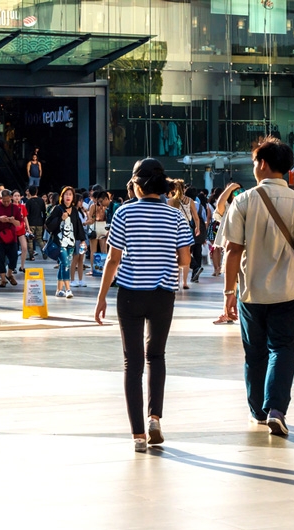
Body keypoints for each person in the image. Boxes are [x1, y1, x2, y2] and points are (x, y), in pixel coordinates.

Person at [94, 158, 193, 452]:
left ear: (137, 185)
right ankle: (155, 419)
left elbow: (113, 259)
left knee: (132, 363)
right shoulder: (175, 217)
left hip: (130, 295)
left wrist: (101, 297)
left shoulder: (124, 213)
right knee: (157, 357)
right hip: (163, 295)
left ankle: (138, 435)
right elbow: (185, 260)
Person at [220, 136, 294, 437]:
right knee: (283, 348)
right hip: (287, 292)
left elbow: (232, 250)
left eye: (254, 162)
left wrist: (228, 293)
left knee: (255, 352)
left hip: (252, 292)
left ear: (262, 163)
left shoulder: (244, 201)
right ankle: (276, 408)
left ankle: (258, 412)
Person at [45, 186, 87, 298]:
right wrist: (60, 219)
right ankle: (68, 289)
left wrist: (83, 240)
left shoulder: (74, 211)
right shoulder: (57, 209)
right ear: (62, 197)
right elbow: (48, 224)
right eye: (66, 194)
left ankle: (59, 290)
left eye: (70, 194)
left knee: (63, 265)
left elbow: (78, 226)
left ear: (73, 197)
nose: (68, 196)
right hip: (59, 242)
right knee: (65, 264)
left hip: (71, 242)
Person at [167, 179, 200, 289]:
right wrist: (197, 228)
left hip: (173, 229)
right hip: (186, 229)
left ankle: (175, 281)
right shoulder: (190, 200)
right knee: (186, 255)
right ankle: (185, 282)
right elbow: (195, 217)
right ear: (184, 188)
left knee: (175, 255)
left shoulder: (170, 201)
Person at [0, 189, 22, 287]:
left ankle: (9, 274)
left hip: (11, 236)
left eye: (8, 201)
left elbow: (19, 223)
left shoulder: (14, 207)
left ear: (11, 198)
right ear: (0, 198)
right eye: (4, 201)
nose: (6, 203)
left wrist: (12, 221)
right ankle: (2, 279)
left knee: (13, 257)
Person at [25, 186, 47, 260]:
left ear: (29, 192)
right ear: (37, 191)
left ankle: (31, 256)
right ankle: (44, 251)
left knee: (30, 240)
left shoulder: (28, 202)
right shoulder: (41, 201)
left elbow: (26, 214)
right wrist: (44, 222)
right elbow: (44, 212)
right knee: (39, 238)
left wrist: (26, 226)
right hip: (40, 222)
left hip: (31, 222)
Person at [12, 190, 31, 273]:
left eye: (18, 195)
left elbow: (25, 218)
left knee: (24, 247)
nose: (17, 197)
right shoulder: (10, 206)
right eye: (15, 195)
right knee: (13, 250)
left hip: (21, 229)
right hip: (12, 230)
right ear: (12, 197)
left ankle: (22, 266)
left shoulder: (22, 206)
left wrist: (28, 228)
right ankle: (12, 267)